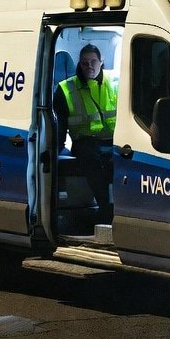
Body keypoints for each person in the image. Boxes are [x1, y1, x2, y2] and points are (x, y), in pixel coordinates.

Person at [53, 44, 117, 219]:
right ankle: (105, 208)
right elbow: (59, 127)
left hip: (113, 140)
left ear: (101, 62)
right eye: (84, 63)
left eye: (93, 62)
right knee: (91, 160)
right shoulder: (67, 88)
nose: (89, 66)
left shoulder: (116, 82)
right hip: (84, 142)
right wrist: (55, 151)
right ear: (79, 64)